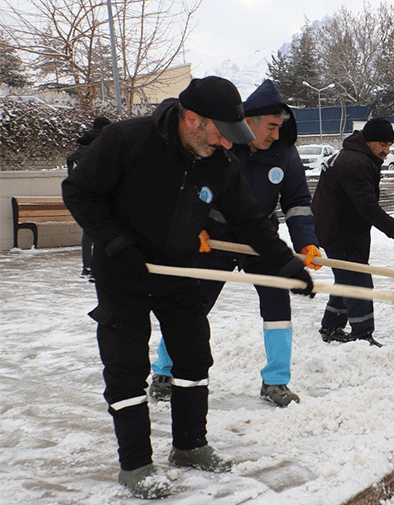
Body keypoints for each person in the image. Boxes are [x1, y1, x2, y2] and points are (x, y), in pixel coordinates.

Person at [61, 76, 315, 499]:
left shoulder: (220, 161)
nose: (228, 145)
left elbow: (250, 220)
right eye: (221, 133)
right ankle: (136, 464)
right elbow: (80, 192)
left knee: (195, 355)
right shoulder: (128, 140)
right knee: (126, 367)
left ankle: (190, 446)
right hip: (124, 269)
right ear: (191, 118)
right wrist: (116, 243)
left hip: (179, 267)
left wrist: (286, 263)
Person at [147, 79, 320, 408]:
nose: (276, 134)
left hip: (261, 239)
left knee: (278, 307)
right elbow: (191, 188)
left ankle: (276, 381)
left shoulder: (285, 153)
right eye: (271, 126)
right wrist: (192, 227)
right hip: (214, 238)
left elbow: (297, 203)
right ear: (250, 122)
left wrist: (306, 243)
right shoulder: (223, 144)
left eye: (280, 127)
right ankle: (165, 370)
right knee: (192, 306)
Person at [312, 118, 394, 346]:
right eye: (382, 144)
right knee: (358, 281)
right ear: (369, 141)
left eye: (389, 145)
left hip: (342, 225)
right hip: (339, 229)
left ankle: (332, 327)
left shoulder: (353, 155)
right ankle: (363, 335)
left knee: (346, 278)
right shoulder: (355, 163)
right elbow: (367, 206)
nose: (387, 151)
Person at [66, 116, 111, 282]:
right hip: (101, 193)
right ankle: (96, 268)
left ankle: (88, 266)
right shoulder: (101, 144)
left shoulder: (83, 145)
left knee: (89, 231)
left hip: (86, 194)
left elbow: (71, 165)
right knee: (103, 230)